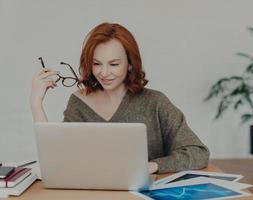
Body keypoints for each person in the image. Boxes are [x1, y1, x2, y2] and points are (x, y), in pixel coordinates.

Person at [30, 22, 209, 174]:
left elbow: (198, 153)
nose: (104, 73)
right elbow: (57, 160)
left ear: (130, 64)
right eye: (96, 64)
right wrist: (36, 103)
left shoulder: (155, 102)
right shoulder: (78, 103)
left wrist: (152, 166)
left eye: (114, 64)